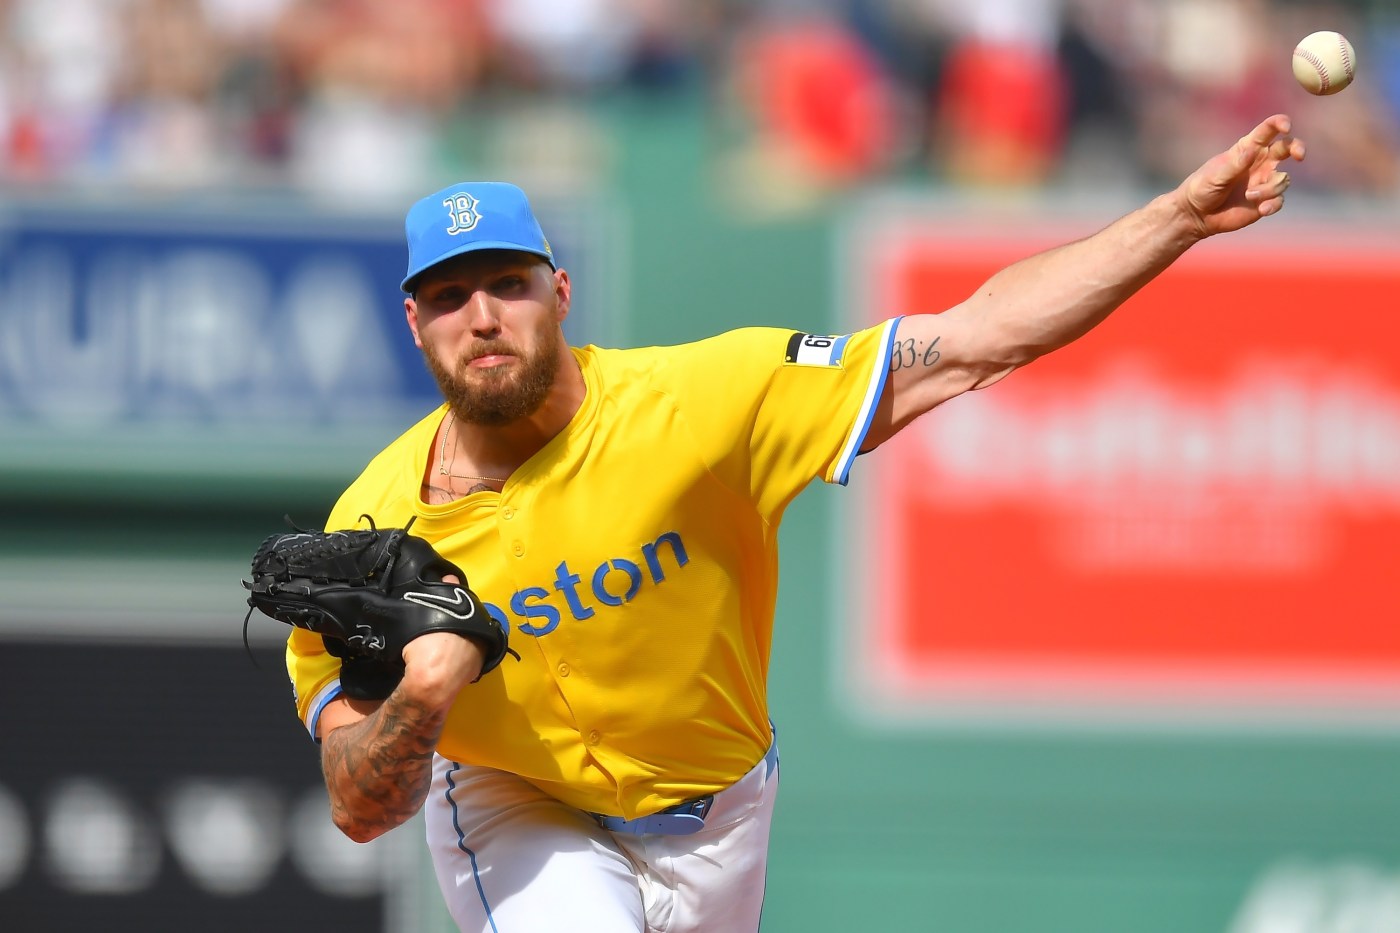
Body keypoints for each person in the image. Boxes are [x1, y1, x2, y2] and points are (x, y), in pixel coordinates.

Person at [285, 114, 1306, 932]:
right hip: (516, 801)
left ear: (559, 293)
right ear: (414, 322)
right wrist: (422, 695)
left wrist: (1176, 215)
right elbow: (359, 806)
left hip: (718, 809)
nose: (481, 316)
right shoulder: (372, 528)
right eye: (448, 295)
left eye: (507, 284)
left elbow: (975, 339)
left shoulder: (701, 403)